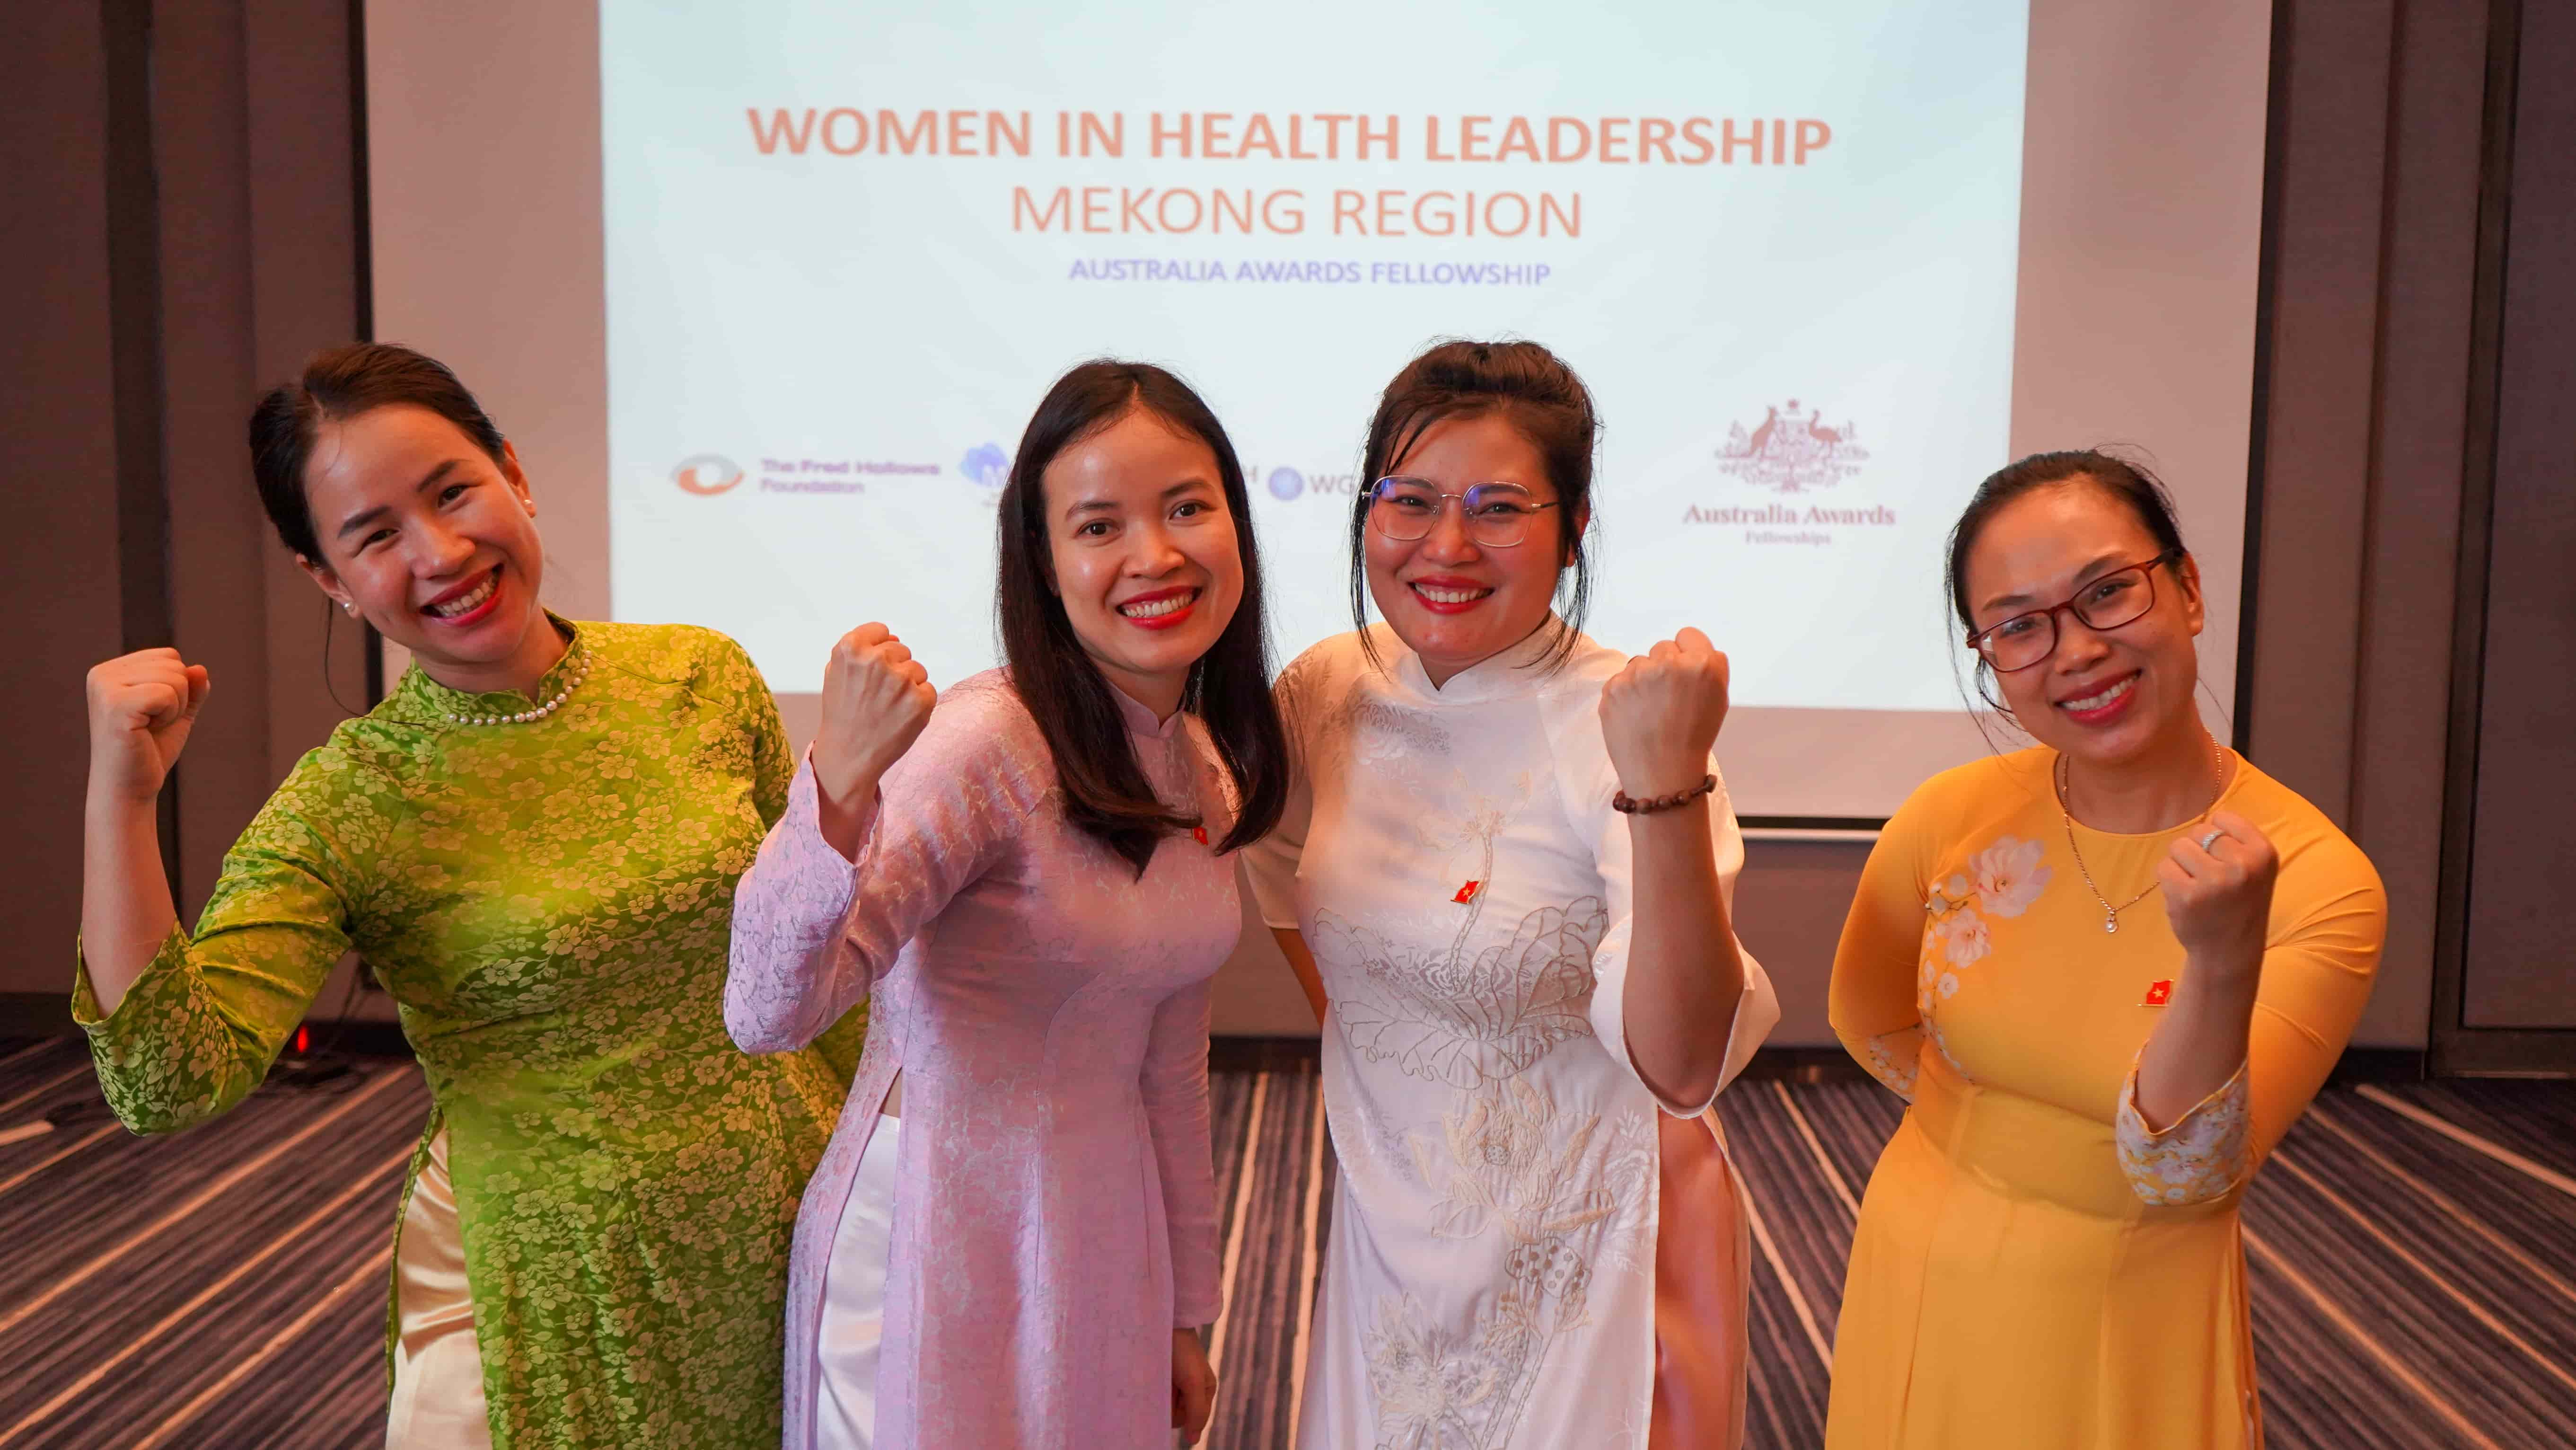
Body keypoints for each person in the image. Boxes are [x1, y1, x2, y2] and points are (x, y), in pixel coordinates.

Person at [74, 343, 861, 1450]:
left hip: (794, 1211)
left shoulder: (699, 672)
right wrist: (122, 800)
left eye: (454, 491)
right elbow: (168, 1082)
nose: (441, 552)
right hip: (562, 1279)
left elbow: (822, 962)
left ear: (513, 473)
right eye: (375, 533)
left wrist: (900, 1172)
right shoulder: (352, 799)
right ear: (328, 581)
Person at [724, 360, 1287, 1450]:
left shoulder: (1202, 765)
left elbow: (1167, 1062)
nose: (1154, 555)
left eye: (1186, 508)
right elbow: (766, 1012)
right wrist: (834, 791)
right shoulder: (986, 743)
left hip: (1099, 1228)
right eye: (1098, 524)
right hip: (936, 1228)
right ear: (1043, 559)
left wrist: (1185, 1312)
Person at [1243, 339, 1780, 1450]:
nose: (1445, 545)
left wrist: (1666, 785)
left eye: (1498, 507)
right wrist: (1412, 1062)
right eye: (1410, 501)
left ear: (1571, 525)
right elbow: (1288, 888)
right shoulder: (1324, 691)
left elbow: (1680, 1066)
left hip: (1591, 1231)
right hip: (1396, 1225)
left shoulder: (1625, 724)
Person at [1825, 450, 2386, 1448]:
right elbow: (1863, 1015)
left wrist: (2217, 961)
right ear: (1986, 654)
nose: (2074, 650)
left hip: (2125, 1306)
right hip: (1914, 1263)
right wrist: (1982, 1139)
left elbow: (2182, 1173)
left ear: (2187, 588)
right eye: (2017, 625)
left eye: (2105, 593)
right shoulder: (1950, 812)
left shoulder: (2314, 877)